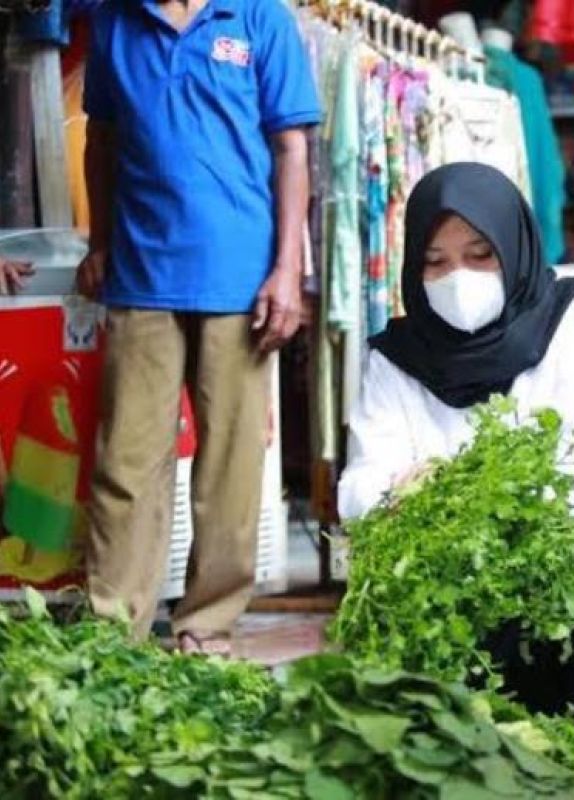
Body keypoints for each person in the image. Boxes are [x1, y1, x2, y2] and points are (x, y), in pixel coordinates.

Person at [338, 162, 574, 746]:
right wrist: (397, 493)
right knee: (398, 595)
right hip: (449, 564)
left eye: (479, 254)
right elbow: (362, 487)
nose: (458, 278)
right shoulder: (396, 357)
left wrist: (450, 491)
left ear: (512, 246)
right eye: (436, 262)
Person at [79, 0, 321, 653]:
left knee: (231, 464)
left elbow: (291, 146)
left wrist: (286, 271)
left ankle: (206, 626)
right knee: (126, 463)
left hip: (240, 279)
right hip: (139, 274)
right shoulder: (113, 21)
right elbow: (100, 141)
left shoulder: (259, 17)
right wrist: (99, 243)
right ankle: (112, 632)